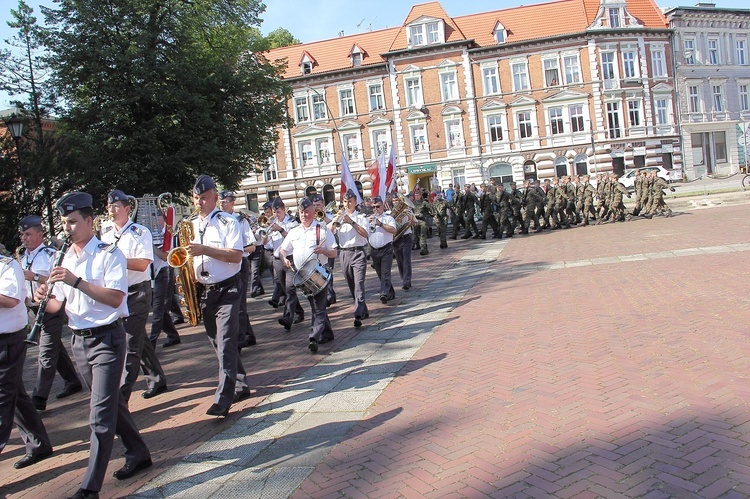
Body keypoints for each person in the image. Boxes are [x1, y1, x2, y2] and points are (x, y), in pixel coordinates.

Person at [38, 191, 152, 499]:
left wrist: (77, 281)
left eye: (73, 222)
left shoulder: (108, 254)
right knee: (111, 404)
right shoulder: (65, 257)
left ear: (89, 221)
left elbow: (116, 298)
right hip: (79, 340)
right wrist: (36, 298)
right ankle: (138, 451)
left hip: (107, 339)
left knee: (99, 416)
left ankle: (89, 488)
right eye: (64, 222)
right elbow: (56, 306)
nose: (67, 228)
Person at [189, 176, 251, 417]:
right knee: (217, 342)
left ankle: (223, 400)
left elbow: (235, 256)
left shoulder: (228, 222)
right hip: (205, 291)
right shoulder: (191, 224)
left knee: (225, 342)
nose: (200, 202)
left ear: (215, 197)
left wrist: (204, 250)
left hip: (228, 288)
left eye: (204, 197)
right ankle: (242, 383)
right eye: (196, 198)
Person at [100, 190, 168, 400]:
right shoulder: (105, 231)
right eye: (109, 207)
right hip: (117, 291)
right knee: (139, 338)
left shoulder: (140, 232)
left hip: (137, 291)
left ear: (127, 209)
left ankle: (121, 397)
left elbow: (142, 263)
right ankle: (157, 378)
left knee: (130, 343)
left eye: (116, 206)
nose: (111, 210)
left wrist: (116, 260)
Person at [17, 215, 81, 411]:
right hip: (34, 308)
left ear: (39, 234)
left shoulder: (50, 254)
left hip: (52, 305)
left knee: (45, 353)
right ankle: (72, 380)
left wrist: (35, 276)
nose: (24, 238)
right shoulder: (23, 256)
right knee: (54, 348)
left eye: (28, 234)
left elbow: (60, 279)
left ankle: (38, 399)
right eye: (22, 235)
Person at [0, 252, 54, 469]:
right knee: (15, 395)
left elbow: (12, 299)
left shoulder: (7, 265)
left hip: (7, 341)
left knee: (2, 401)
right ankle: (38, 444)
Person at [279, 197, 338, 353]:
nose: (304, 215)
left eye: (306, 212)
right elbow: (283, 249)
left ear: (313, 211)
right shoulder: (294, 231)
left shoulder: (322, 230)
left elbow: (334, 252)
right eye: (301, 212)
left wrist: (324, 251)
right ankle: (327, 333)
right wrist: (284, 257)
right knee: (314, 306)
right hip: (302, 275)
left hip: (319, 272)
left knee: (318, 307)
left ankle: (314, 336)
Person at [219, 190, 257, 349]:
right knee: (231, 304)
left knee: (239, 303)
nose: (222, 204)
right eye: (220, 201)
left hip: (239, 264)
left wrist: (236, 250)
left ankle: (240, 340)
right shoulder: (216, 221)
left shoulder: (241, 221)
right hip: (222, 264)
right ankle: (248, 334)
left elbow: (252, 246)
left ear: (232, 202)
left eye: (225, 201)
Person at [331, 189, 369, 328]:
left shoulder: (361, 217)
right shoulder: (339, 216)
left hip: (358, 252)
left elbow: (365, 234)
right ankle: (362, 309)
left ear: (355, 202)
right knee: (352, 284)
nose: (347, 204)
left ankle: (357, 312)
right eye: (345, 201)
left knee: (359, 284)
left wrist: (351, 222)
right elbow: (329, 232)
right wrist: (336, 220)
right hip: (344, 253)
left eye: (350, 201)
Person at [268, 198, 304, 330]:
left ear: (283, 209)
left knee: (290, 288)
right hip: (277, 260)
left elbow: (293, 239)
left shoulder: (292, 223)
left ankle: (288, 317)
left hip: (290, 259)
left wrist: (280, 230)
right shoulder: (273, 224)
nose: (275, 215)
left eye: (278, 211)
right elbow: (265, 243)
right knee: (286, 289)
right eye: (274, 212)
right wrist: (265, 233)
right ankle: (299, 312)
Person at [149, 212, 181, 348]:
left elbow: (165, 257)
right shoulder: (149, 233)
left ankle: (151, 343)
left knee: (157, 310)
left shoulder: (168, 234)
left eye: (157, 218)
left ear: (163, 219)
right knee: (160, 309)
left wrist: (151, 246)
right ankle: (173, 335)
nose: (155, 221)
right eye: (153, 218)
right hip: (150, 275)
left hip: (162, 272)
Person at [367, 196, 397, 303]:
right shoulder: (368, 219)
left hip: (386, 249)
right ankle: (390, 292)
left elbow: (393, 230)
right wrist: (368, 223)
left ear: (383, 205)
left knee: (385, 272)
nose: (375, 209)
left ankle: (383, 293)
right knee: (380, 273)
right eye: (373, 207)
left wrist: (380, 224)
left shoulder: (388, 218)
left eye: (378, 206)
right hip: (374, 250)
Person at [312, 193, 337, 306]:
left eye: (318, 204)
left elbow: (333, 226)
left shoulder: (330, 215)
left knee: (328, 271)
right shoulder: (312, 217)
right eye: (314, 205)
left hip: (328, 248)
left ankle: (330, 295)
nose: (316, 206)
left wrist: (322, 217)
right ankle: (327, 295)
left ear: (323, 204)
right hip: (316, 249)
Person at [390, 193, 414, 290]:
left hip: (406, 237)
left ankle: (407, 281)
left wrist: (412, 222)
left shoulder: (407, 210)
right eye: (394, 201)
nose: (396, 202)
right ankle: (404, 278)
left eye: (397, 200)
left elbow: (414, 223)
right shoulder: (390, 213)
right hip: (396, 240)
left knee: (406, 260)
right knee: (400, 261)